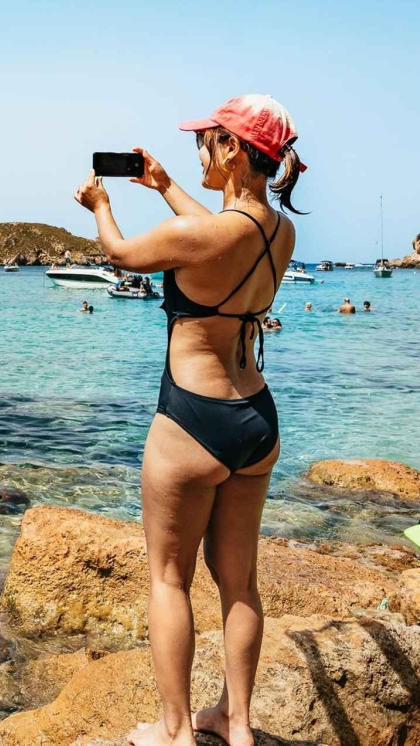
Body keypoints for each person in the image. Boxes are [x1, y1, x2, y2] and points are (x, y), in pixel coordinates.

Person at [74, 93, 304, 746]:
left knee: (168, 577)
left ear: (233, 149)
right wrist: (168, 185)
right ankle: (237, 725)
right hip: (256, 418)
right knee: (241, 583)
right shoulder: (280, 231)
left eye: (206, 140)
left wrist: (102, 206)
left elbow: (121, 254)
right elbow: (221, 233)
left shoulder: (200, 236)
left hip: (192, 416)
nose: (198, 150)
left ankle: (175, 731)